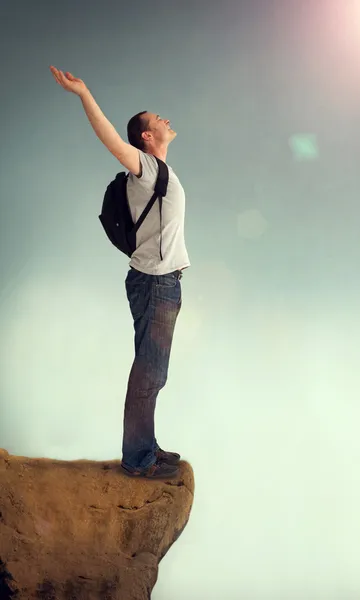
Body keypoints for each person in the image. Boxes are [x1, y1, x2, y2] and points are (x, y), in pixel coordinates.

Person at [50, 66, 190, 479]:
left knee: (152, 369)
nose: (165, 120)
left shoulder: (153, 172)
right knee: (150, 370)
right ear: (146, 136)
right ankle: (137, 460)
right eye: (156, 119)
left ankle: (145, 446)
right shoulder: (144, 166)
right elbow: (112, 139)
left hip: (157, 282)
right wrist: (84, 94)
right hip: (156, 284)